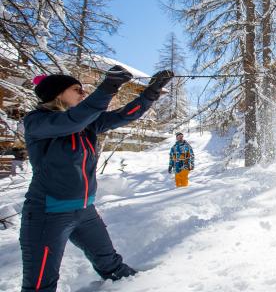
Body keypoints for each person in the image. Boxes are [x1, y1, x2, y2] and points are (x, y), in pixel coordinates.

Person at [20, 66, 174, 291]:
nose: (82, 94)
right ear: (58, 94)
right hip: (47, 213)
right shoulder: (38, 122)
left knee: (114, 268)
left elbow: (123, 116)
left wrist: (151, 92)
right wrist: (108, 86)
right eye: (77, 90)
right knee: (40, 285)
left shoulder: (86, 123)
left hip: (84, 212)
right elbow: (72, 122)